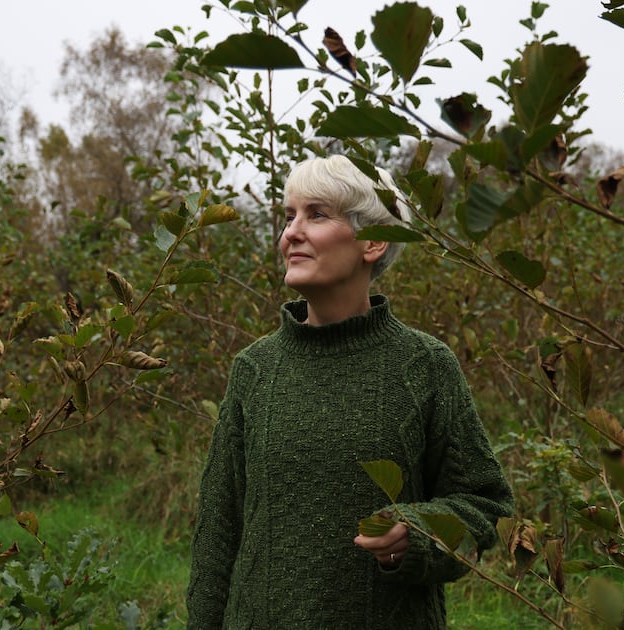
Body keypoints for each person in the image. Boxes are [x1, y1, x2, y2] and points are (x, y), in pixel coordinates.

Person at [186, 155, 514, 629]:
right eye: (289, 216)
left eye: (316, 214)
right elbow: (218, 531)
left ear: (373, 242)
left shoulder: (424, 366)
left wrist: (419, 534)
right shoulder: (254, 369)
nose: (291, 233)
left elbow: (486, 504)